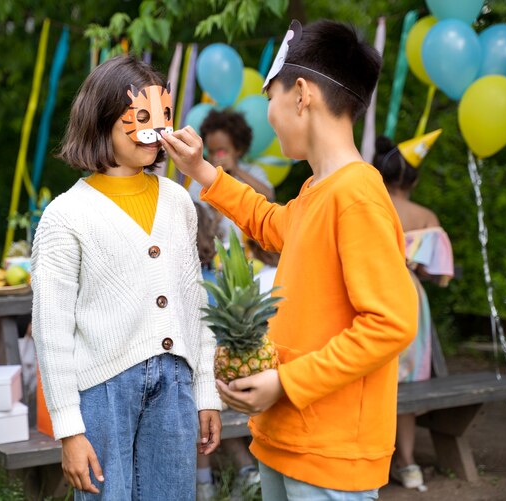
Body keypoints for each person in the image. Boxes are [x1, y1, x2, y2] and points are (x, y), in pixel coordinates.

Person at [162, 19, 418, 501]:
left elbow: (391, 323)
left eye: (268, 98)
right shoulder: (317, 190)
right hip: (287, 440)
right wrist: (200, 170)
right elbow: (268, 222)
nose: (268, 115)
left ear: (301, 94)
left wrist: (285, 382)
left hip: (330, 453)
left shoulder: (357, 195)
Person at [31, 55, 221, 501]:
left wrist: (206, 391)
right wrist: (69, 430)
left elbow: (196, 301)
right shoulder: (65, 216)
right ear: (102, 122)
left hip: (175, 385)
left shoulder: (178, 202)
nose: (156, 131)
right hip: (102, 392)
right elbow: (51, 329)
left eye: (164, 117)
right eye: (140, 119)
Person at [373, 132, 454, 490]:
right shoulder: (425, 216)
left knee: (373, 374)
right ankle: (407, 463)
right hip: (409, 296)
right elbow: (437, 273)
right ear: (414, 179)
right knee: (409, 381)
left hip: (372, 292)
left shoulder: (371, 205)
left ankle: (373, 460)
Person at [193, 202, 261, 501]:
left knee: (198, 415)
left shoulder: (191, 282)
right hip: (229, 372)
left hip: (205, 376)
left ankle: (204, 483)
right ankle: (246, 472)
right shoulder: (218, 277)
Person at [189, 109, 275, 246]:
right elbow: (196, 219)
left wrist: (235, 170)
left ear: (238, 149)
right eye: (211, 151)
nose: (216, 157)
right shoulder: (199, 180)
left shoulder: (251, 171)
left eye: (222, 151)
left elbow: (269, 196)